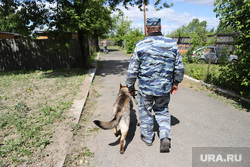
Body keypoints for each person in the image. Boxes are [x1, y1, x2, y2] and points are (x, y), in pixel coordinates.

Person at [126, 17, 184, 153]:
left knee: (145, 112)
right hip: (164, 88)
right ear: (160, 28)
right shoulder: (172, 44)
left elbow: (132, 70)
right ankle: (164, 136)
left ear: (147, 29)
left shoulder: (140, 45)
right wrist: (175, 82)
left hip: (145, 89)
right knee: (162, 110)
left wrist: (130, 86)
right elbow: (179, 68)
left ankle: (148, 138)